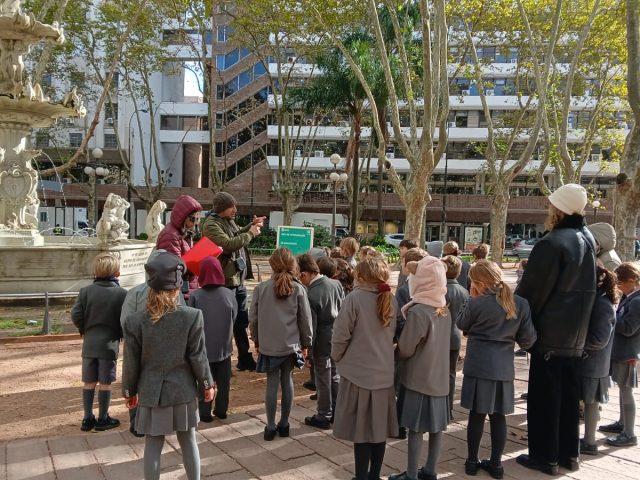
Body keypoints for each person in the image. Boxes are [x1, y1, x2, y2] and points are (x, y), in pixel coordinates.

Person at [515, 183, 596, 475]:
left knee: (544, 400)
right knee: (568, 400)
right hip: (577, 336)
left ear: (559, 209)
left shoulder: (551, 243)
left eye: (552, 204)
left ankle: (544, 457)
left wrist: (519, 325)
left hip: (549, 336)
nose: (548, 208)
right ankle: (568, 455)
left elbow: (531, 293)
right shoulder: (588, 239)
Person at [122, 252, 215, 480]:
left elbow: (130, 362)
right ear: (177, 287)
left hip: (151, 392)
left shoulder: (134, 321)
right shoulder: (192, 316)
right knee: (189, 440)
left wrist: (129, 391)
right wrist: (207, 384)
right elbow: (198, 356)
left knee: (153, 444)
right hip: (183, 391)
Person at [457, 260, 537, 479]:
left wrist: (470, 299)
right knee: (498, 416)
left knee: (476, 414)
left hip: (478, 366)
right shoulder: (520, 303)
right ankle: (496, 464)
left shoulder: (476, 303)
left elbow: (461, 323)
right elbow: (528, 340)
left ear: (480, 283)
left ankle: (472, 461)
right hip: (502, 367)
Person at [332, 257, 398, 480]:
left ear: (360, 276)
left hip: (358, 374)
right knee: (379, 431)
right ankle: (374, 476)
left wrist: (337, 357)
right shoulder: (391, 299)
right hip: (383, 374)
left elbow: (340, 334)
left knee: (361, 432)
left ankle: (361, 476)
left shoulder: (354, 299)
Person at [389, 256, 451, 480]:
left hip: (418, 379)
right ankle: (430, 470)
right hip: (440, 379)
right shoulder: (444, 309)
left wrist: (394, 353)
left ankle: (412, 474)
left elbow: (406, 348)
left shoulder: (418, 312)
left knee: (415, 428)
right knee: (436, 428)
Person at [119, 249, 185, 437]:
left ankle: (136, 424)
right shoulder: (174, 292)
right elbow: (182, 318)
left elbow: (125, 321)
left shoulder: (134, 292)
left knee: (135, 380)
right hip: (166, 347)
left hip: (139, 345)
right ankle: (161, 423)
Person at [249, 247, 313, 441]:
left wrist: (256, 339)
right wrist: (306, 343)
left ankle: (270, 426)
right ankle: (284, 424)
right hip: (291, 345)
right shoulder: (299, 289)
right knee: (287, 380)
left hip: (269, 344)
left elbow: (253, 319)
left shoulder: (261, 288)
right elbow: (305, 320)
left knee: (271, 383)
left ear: (272, 265)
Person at [201, 191, 265, 372]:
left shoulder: (227, 220)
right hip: (225, 282)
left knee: (241, 322)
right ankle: (222, 363)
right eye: (232, 207)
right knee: (224, 324)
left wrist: (251, 226)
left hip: (237, 280)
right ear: (222, 208)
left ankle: (244, 358)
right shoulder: (211, 225)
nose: (235, 210)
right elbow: (228, 245)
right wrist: (251, 233)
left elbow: (235, 234)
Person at [71, 253, 127, 432]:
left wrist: (85, 329)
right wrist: (120, 332)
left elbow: (76, 315)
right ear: (116, 273)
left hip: (89, 344)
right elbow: (126, 319)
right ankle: (103, 418)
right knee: (105, 382)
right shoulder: (122, 294)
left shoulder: (85, 291)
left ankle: (87, 418)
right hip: (109, 345)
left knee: (89, 382)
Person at [187, 256, 238, 422]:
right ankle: (222, 410)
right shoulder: (229, 294)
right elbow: (234, 316)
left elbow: (190, 322)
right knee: (224, 382)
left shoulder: (196, 296)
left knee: (204, 381)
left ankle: (204, 412)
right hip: (224, 347)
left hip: (202, 349)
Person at [298, 253, 345, 429]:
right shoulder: (336, 284)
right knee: (335, 375)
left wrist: (308, 351)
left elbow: (312, 327)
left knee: (323, 379)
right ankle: (337, 411)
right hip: (337, 336)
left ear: (304, 274)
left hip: (321, 342)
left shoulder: (311, 294)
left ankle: (324, 414)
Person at [599, 262, 640, 447]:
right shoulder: (630, 297)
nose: (618, 287)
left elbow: (629, 328)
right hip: (622, 351)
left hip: (628, 352)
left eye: (620, 283)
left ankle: (629, 433)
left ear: (631, 280)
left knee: (626, 391)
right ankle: (623, 423)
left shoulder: (637, 301)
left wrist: (612, 317)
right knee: (623, 390)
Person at [578, 263, 618, 455]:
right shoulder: (597, 299)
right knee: (589, 402)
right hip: (589, 362)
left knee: (591, 403)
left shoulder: (602, 304)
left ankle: (590, 441)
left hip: (593, 364)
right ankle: (588, 439)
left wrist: (577, 343)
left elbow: (599, 339)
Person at [393, 248, 429, 440]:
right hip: (427, 345)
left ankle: (400, 425)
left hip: (408, 341)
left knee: (401, 384)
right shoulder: (432, 287)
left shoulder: (405, 289)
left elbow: (399, 318)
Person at [155, 195, 202, 299]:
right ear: (183, 217)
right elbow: (174, 267)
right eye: (193, 219)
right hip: (179, 292)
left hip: (186, 288)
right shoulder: (170, 235)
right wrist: (198, 262)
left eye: (198, 219)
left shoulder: (183, 233)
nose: (195, 223)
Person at [441, 254, 470, 419]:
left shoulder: (440, 290)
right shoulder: (464, 291)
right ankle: (448, 409)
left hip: (440, 338)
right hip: (455, 337)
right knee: (451, 374)